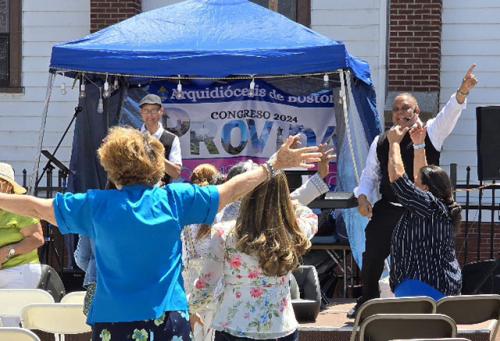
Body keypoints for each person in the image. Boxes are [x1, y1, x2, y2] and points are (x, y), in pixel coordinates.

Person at [0, 127, 321, 340]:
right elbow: (230, 190)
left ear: (111, 166)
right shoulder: (174, 199)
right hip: (166, 320)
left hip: (113, 322)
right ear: (154, 164)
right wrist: (273, 164)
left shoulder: (95, 205)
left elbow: (34, 206)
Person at [349, 64, 477, 317]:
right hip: (390, 207)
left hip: (424, 210)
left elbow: (449, 113)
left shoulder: (431, 131)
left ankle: (428, 298)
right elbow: (370, 175)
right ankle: (367, 301)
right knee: (372, 254)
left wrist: (462, 91)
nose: (400, 113)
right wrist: (362, 197)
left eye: (405, 108)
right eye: (396, 110)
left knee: (421, 256)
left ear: (416, 111)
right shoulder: (382, 140)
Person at [189, 172, 319, 341]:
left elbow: (207, 281)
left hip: (233, 325)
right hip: (281, 327)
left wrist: (192, 308)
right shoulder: (293, 233)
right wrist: (291, 203)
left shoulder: (224, 233)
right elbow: (310, 216)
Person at [387, 124, 462, 300]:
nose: (414, 184)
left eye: (417, 183)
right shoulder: (442, 206)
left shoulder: (428, 205)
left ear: (426, 189)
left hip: (420, 286)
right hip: (445, 285)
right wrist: (419, 145)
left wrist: (394, 143)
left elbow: (397, 178)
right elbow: (422, 176)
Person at [182, 163, 224, 341]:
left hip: (190, 278)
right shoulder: (220, 214)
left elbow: (182, 253)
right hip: (214, 278)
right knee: (210, 330)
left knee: (192, 328)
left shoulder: (185, 215)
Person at [0, 162, 44, 290]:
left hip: (20, 271)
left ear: (8, 186)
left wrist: (6, 253)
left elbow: (37, 239)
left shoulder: (20, 206)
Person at [140, 93, 183, 184]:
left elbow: (176, 173)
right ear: (141, 113)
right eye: (146, 111)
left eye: (154, 111)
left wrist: (155, 155)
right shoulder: (133, 136)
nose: (150, 115)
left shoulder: (172, 139)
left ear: (161, 111)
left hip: (161, 194)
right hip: (136, 195)